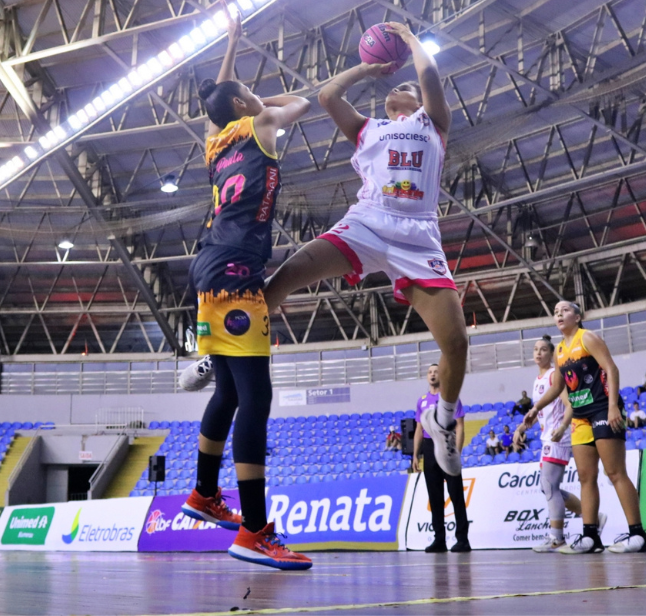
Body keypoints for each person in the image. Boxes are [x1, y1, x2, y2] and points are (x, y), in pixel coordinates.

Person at [262, 22, 468, 483]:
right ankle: (222, 350)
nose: (406, 86)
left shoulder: (434, 124)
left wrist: (413, 42)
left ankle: (445, 421)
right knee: (287, 275)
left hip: (419, 236)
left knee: (456, 343)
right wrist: (366, 67)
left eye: (411, 87)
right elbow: (327, 97)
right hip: (369, 221)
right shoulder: (368, 128)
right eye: (398, 85)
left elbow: (430, 77)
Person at [174, 9, 312, 572]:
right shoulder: (259, 127)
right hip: (235, 275)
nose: (260, 99)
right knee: (256, 400)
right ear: (242, 109)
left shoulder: (214, 143)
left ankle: (204, 493)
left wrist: (232, 49)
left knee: (228, 395)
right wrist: (259, 98)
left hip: (209, 272)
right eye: (250, 96)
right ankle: (254, 531)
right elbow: (297, 106)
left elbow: (220, 102)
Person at [533, 301, 646, 553]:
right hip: (580, 416)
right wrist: (534, 409)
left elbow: (611, 368)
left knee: (615, 472)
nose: (559, 314)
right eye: (555, 312)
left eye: (564, 310)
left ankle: (639, 535)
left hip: (602, 409)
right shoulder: (560, 351)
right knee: (586, 477)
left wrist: (612, 407)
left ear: (577, 316)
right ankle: (590, 537)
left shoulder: (587, 338)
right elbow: (557, 388)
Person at [519, 335, 600, 553]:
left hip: (558, 436)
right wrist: (523, 426)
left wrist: (563, 427)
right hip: (548, 436)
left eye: (543, 349)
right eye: (535, 349)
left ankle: (556, 537)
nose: (538, 353)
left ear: (552, 353)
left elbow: (569, 404)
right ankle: (593, 516)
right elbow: (543, 408)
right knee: (547, 486)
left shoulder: (555, 375)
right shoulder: (538, 379)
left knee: (550, 487)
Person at [411, 364, 468, 552]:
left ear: (441, 375)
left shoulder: (449, 399)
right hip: (429, 447)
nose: (433, 374)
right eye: (430, 372)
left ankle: (462, 539)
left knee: (456, 494)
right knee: (434, 497)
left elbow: (459, 425)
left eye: (436, 371)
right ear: (427, 376)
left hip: (447, 444)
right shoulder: (421, 401)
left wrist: (456, 451)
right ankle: (439, 540)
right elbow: (419, 429)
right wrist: (415, 455)